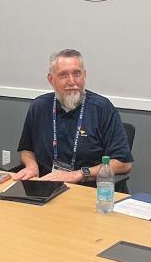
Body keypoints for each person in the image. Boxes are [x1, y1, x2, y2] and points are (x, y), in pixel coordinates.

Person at [13, 49, 132, 183]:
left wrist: (79, 174)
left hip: (89, 188)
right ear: (51, 79)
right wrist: (31, 166)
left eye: (76, 74)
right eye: (63, 75)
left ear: (84, 75)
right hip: (46, 185)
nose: (71, 81)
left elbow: (123, 163)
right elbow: (26, 150)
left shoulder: (102, 108)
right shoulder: (39, 107)